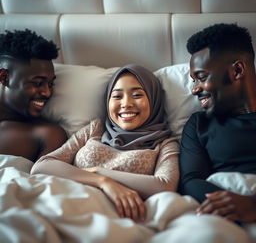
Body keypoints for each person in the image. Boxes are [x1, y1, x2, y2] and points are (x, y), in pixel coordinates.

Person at [31, 64, 180, 222]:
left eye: (137, 95)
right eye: (117, 96)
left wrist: (99, 172)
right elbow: (42, 166)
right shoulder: (96, 129)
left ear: (154, 99)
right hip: (64, 206)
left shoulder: (166, 144)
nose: (126, 103)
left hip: (115, 219)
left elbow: (165, 186)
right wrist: (102, 182)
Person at [179, 23, 256, 223]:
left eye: (202, 77)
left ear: (237, 70)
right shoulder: (199, 124)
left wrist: (252, 205)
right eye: (193, 80)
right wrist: (232, 205)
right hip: (221, 216)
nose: (195, 90)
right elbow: (190, 181)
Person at [0, 29, 67, 162]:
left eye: (50, 84)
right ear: (4, 77)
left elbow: (47, 181)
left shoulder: (46, 135)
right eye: (37, 83)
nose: (47, 93)